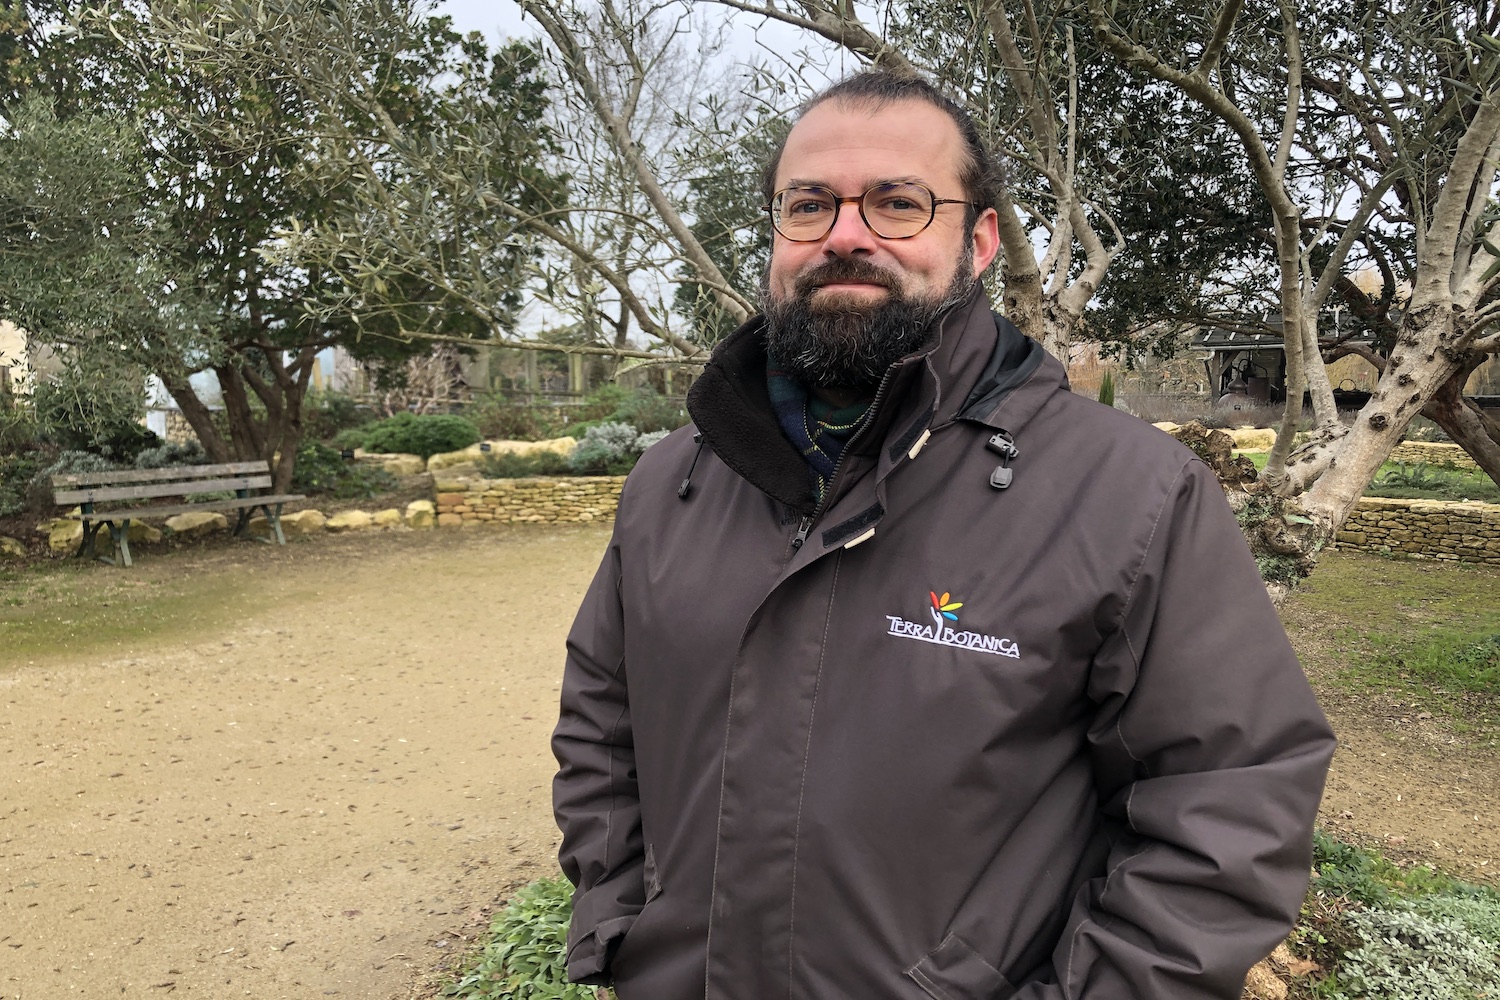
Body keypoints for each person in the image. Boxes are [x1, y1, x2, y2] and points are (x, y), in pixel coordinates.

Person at [552, 70, 1335, 1000]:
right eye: (810, 205)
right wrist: (617, 919)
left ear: (980, 241)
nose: (846, 235)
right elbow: (605, 716)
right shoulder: (672, 481)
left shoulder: (1131, 497)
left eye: (898, 203)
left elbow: (1230, 801)